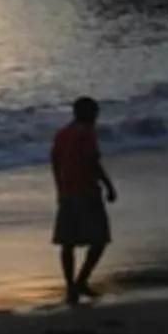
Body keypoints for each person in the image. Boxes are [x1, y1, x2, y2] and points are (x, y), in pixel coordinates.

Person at [50, 96, 117, 305]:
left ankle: (71, 284)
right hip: (86, 191)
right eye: (94, 113)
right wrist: (109, 185)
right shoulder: (86, 133)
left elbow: (55, 164)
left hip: (67, 192)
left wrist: (60, 190)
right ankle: (81, 281)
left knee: (67, 242)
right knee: (99, 240)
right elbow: (92, 162)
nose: (96, 118)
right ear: (88, 114)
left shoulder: (61, 134)